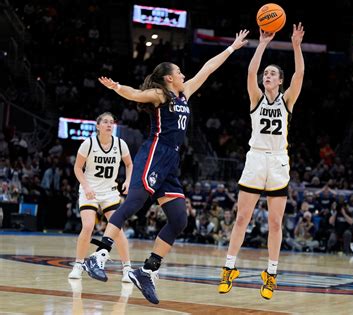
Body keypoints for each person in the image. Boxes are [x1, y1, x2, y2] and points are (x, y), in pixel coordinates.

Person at [83, 30, 249, 304]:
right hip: (154, 153)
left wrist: (231, 48)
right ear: (169, 77)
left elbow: (207, 69)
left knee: (179, 219)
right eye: (180, 72)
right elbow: (136, 94)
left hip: (171, 160)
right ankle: (98, 256)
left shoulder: (184, 93)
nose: (184, 75)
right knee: (134, 202)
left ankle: (146, 270)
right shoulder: (160, 95)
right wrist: (116, 88)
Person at [218, 23, 305, 300]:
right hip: (255, 158)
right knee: (242, 217)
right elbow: (250, 71)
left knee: (276, 223)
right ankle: (229, 269)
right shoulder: (255, 97)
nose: (267, 75)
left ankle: (271, 273)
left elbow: (300, 73)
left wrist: (296, 46)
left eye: (272, 74)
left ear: (280, 81)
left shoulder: (287, 100)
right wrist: (263, 43)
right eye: (266, 73)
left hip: (278, 162)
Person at [68, 112, 133, 282]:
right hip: (90, 191)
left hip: (110, 192)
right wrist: (86, 186)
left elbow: (129, 164)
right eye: (105, 122)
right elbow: (77, 168)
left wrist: (127, 180)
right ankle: (78, 264)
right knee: (88, 226)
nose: (109, 125)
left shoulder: (120, 144)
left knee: (117, 230)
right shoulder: (88, 144)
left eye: (112, 122)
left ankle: (127, 268)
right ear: (98, 126)